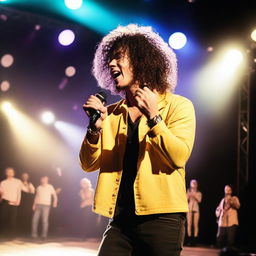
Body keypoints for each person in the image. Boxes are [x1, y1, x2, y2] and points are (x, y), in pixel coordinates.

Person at [79, 24, 196, 256]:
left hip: (163, 219)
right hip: (120, 220)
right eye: (110, 60)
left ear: (142, 60)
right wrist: (94, 130)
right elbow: (88, 164)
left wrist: (154, 117)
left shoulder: (178, 106)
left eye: (119, 57)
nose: (111, 64)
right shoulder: (110, 113)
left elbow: (178, 156)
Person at [31, 176, 57, 240]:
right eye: (43, 179)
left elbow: (54, 195)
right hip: (38, 205)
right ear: (41, 180)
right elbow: (36, 196)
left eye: (45, 179)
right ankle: (34, 235)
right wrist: (34, 205)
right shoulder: (39, 187)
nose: (44, 180)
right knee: (34, 220)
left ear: (47, 180)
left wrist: (55, 202)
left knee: (44, 221)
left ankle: (44, 235)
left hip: (46, 205)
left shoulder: (50, 187)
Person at [0, 167, 22, 239]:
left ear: (13, 173)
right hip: (5, 201)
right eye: (9, 172)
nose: (10, 173)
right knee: (3, 218)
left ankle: (12, 235)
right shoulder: (3, 182)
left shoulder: (17, 181)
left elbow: (19, 192)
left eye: (12, 172)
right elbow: (1, 193)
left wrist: (18, 201)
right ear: (6, 173)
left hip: (13, 202)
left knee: (12, 219)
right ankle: (3, 234)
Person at [216, 185, 240, 249]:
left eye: (229, 190)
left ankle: (229, 251)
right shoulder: (223, 200)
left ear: (231, 191)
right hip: (223, 221)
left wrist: (232, 202)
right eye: (226, 190)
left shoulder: (234, 198)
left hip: (231, 221)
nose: (227, 191)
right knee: (219, 237)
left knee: (230, 239)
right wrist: (218, 214)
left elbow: (238, 206)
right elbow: (218, 209)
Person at [18, 172, 35, 236]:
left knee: (28, 216)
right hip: (21, 201)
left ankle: (27, 232)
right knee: (21, 216)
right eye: (24, 176)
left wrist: (28, 187)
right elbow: (21, 190)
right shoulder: (19, 183)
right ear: (21, 177)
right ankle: (20, 231)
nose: (25, 177)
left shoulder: (30, 183)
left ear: (28, 177)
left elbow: (32, 191)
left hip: (28, 202)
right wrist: (26, 188)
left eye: (26, 176)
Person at [186, 179, 202, 246]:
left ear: (197, 184)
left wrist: (194, 195)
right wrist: (189, 195)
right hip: (189, 209)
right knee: (189, 224)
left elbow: (199, 200)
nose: (193, 184)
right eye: (192, 183)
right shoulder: (188, 191)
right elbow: (186, 199)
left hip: (196, 209)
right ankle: (189, 240)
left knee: (195, 225)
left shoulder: (199, 192)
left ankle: (195, 240)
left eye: (194, 183)